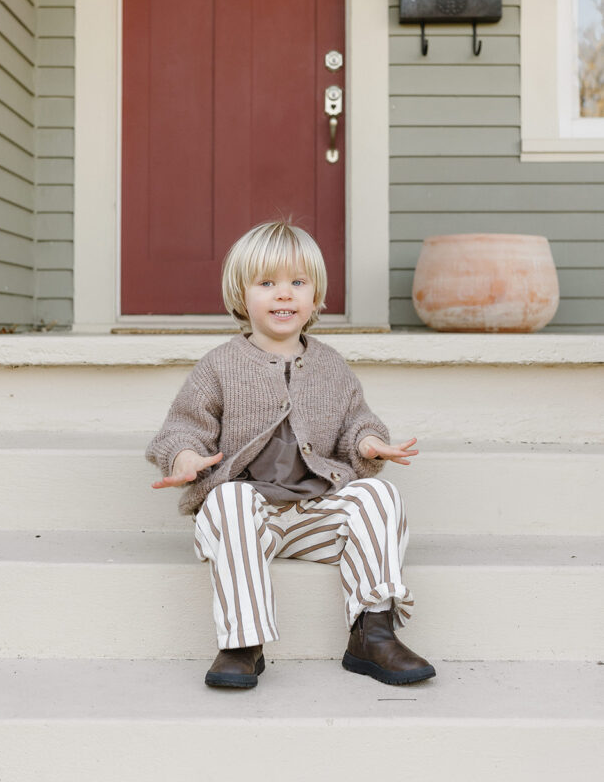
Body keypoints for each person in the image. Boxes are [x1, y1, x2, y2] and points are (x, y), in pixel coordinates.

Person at [147, 220, 435, 689]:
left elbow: (353, 421)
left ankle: (373, 631)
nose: (284, 295)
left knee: (379, 495)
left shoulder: (330, 367)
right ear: (241, 296)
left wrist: (368, 443)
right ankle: (242, 644)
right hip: (245, 525)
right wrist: (183, 457)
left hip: (312, 519)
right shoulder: (220, 365)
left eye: (298, 283)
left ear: (316, 296)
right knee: (228, 499)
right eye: (267, 283)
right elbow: (183, 426)